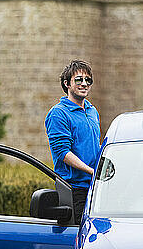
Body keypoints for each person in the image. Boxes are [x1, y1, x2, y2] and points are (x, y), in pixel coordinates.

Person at [45, 59, 101, 224]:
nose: (84, 84)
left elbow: (94, 146)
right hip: (73, 190)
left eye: (88, 80)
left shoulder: (92, 111)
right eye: (79, 80)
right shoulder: (58, 114)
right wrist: (92, 171)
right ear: (66, 84)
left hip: (95, 187)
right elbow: (63, 153)